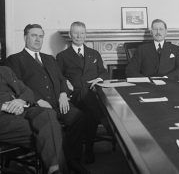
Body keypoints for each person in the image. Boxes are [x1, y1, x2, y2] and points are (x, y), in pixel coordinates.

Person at [5, 24, 90, 174]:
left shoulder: (49, 58)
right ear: (25, 37)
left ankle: (72, 160)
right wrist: (36, 100)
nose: (38, 39)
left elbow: (62, 79)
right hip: (36, 108)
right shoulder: (15, 60)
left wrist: (63, 94)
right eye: (34, 35)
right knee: (51, 126)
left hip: (58, 104)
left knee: (79, 118)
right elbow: (18, 86)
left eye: (41, 36)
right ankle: (57, 164)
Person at [56, 21, 109, 163]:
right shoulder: (62, 56)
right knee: (91, 110)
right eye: (75, 33)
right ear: (70, 35)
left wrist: (98, 79)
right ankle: (83, 151)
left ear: (86, 35)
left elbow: (104, 72)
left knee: (91, 107)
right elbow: (58, 78)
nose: (79, 36)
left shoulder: (94, 53)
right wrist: (66, 87)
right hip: (74, 96)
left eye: (82, 33)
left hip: (92, 93)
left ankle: (88, 149)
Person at [0, 66, 67, 174]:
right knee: (52, 131)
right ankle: (55, 170)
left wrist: (21, 100)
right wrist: (3, 107)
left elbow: (26, 90)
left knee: (48, 113)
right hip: (3, 116)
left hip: (22, 108)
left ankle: (54, 169)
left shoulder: (5, 70)